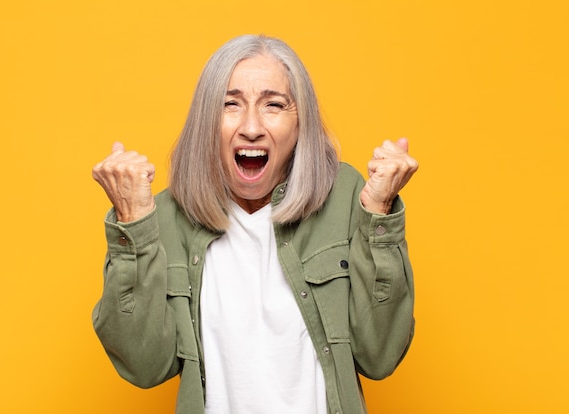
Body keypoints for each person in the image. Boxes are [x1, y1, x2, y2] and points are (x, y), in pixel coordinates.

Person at [91, 34, 418, 414]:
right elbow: (142, 365)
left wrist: (379, 213)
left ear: (301, 125)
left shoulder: (348, 198)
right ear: (205, 122)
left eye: (273, 105)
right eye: (230, 104)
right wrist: (134, 224)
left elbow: (380, 356)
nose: (250, 127)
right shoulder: (165, 216)